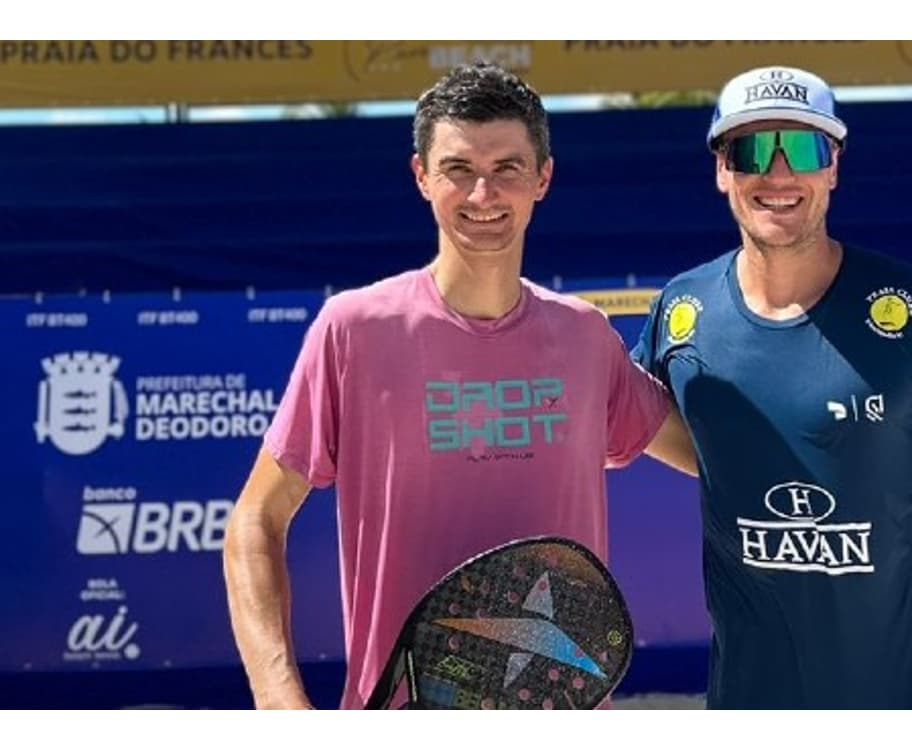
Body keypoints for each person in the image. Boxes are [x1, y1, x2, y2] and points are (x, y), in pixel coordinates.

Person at [223, 61, 696, 710]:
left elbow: (712, 457)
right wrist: (280, 702)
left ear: (542, 179)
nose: (483, 195)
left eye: (507, 169)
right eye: (457, 170)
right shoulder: (354, 331)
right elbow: (255, 518)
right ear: (421, 177)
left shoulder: (586, 338)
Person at [631, 65, 912, 709]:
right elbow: (651, 426)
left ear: (833, 166)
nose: (778, 174)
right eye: (753, 149)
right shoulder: (682, 307)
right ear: (721, 168)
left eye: (804, 149)